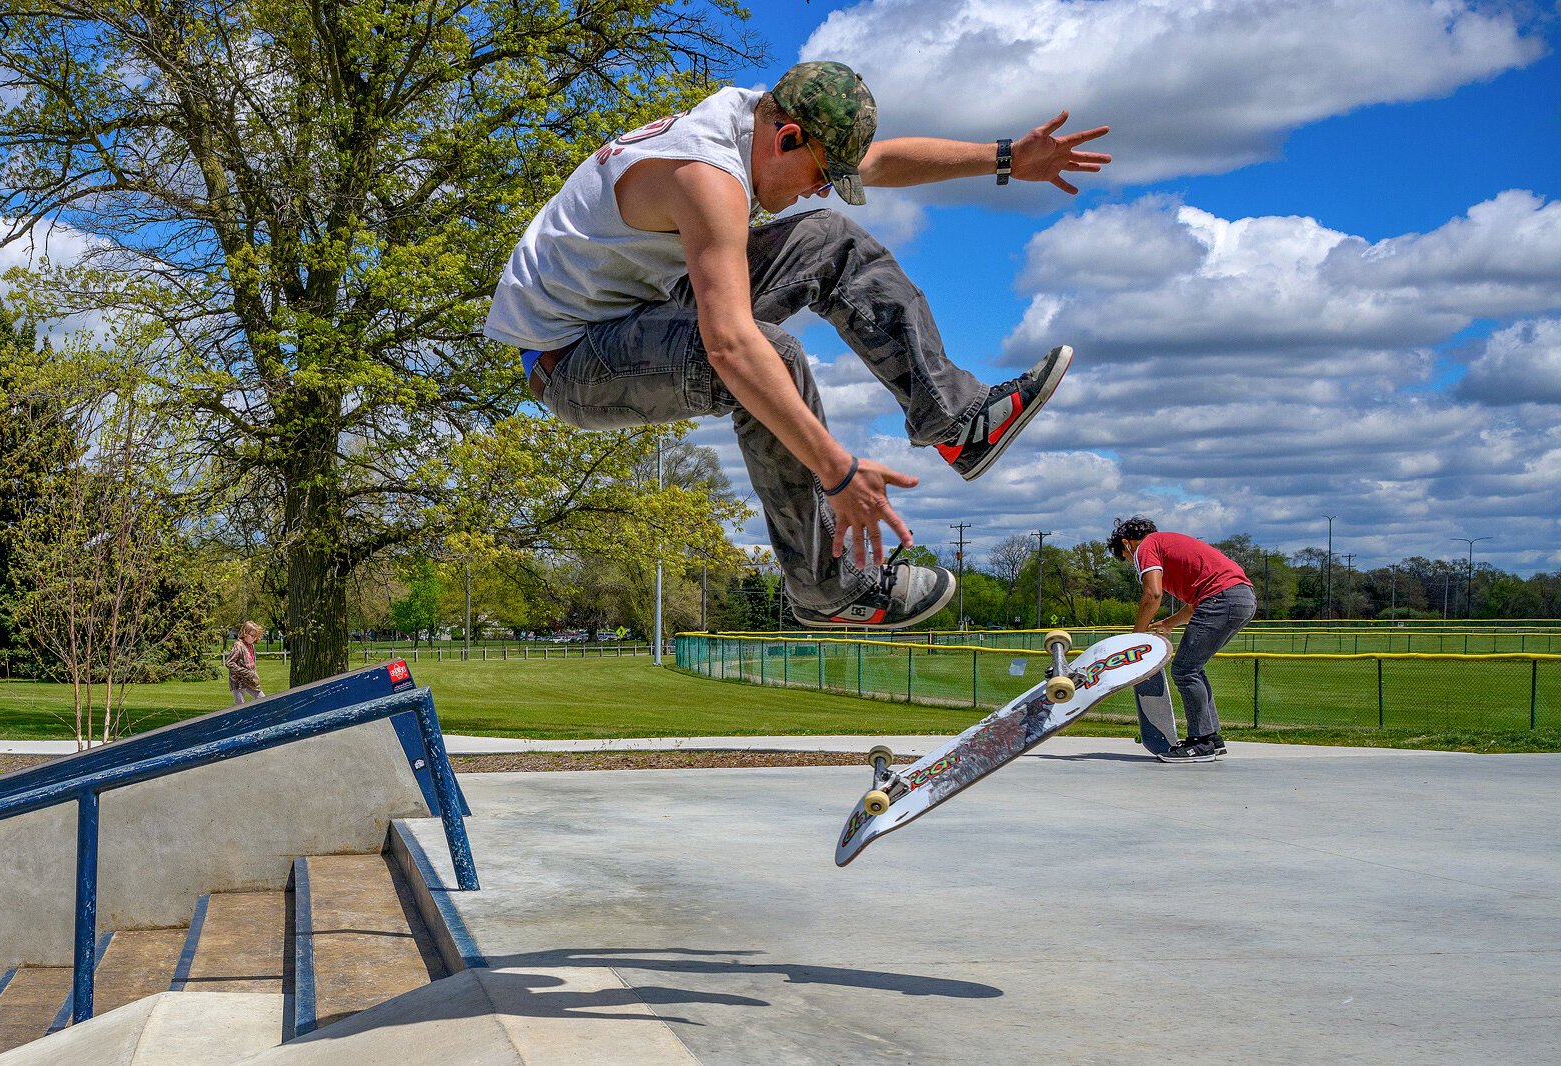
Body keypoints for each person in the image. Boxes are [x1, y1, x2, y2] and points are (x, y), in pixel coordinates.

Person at [484, 61, 1110, 629]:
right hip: (572, 360)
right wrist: (838, 473)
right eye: (818, 175)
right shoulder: (707, 175)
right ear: (785, 139)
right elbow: (728, 347)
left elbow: (878, 162)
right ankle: (828, 589)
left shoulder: (765, 119)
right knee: (764, 357)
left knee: (831, 237)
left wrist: (1005, 158)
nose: (819, 187)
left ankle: (957, 421)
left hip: (639, 309)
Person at [1108, 516, 1257, 763]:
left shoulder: (1146, 546)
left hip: (1222, 599)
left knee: (1185, 670)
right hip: (1241, 598)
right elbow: (1191, 606)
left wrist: (1135, 638)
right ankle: (1211, 738)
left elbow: (1152, 594)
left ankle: (1202, 742)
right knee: (1192, 669)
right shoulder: (1169, 545)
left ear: (1126, 544)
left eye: (1125, 558)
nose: (1132, 564)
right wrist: (1168, 623)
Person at [225, 621, 265, 705]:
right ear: (244, 633)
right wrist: (246, 673)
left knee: (263, 699)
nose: (254, 638)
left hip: (250, 681)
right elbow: (229, 663)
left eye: (255, 636)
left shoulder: (251, 646)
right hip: (238, 681)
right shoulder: (238, 646)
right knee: (240, 706)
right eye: (252, 635)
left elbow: (251, 663)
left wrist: (254, 675)